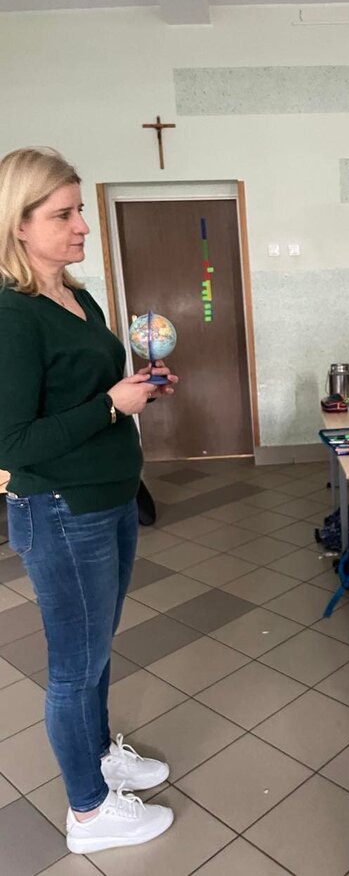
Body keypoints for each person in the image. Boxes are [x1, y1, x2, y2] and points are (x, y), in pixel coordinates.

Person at [0, 147, 179, 854]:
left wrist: (136, 389)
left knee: (97, 648)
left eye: (79, 210)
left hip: (108, 498)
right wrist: (111, 405)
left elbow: (88, 393)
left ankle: (99, 756)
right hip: (60, 510)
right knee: (74, 665)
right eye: (62, 214)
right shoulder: (12, 315)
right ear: (18, 224)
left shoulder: (77, 297)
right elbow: (13, 442)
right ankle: (89, 812)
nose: (82, 225)